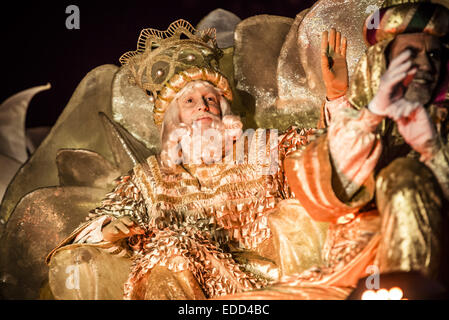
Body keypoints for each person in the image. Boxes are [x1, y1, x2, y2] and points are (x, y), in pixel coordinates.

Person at [45, 20, 332, 300]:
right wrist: (109, 230)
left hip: (272, 284)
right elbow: (95, 226)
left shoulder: (265, 148)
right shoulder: (149, 179)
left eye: (210, 98)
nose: (203, 107)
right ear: (174, 118)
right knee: (168, 247)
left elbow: (331, 155)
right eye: (190, 102)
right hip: (183, 285)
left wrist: (337, 96)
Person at [221, 0, 449, 300]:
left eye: (434, 54)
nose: (426, 65)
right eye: (410, 54)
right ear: (383, 61)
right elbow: (326, 188)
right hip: (346, 271)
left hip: (417, 273)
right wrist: (348, 100)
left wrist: (431, 149)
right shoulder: (367, 118)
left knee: (403, 176)